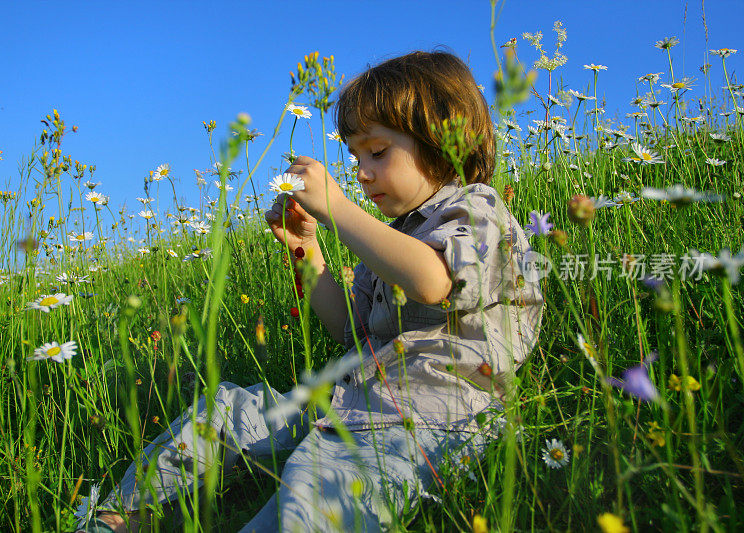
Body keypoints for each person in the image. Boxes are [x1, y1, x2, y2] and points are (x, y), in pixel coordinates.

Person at [79, 50, 543, 532]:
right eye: (356, 156)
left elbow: (433, 282)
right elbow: (348, 325)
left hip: (431, 415)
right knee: (227, 411)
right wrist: (306, 250)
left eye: (378, 152)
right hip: (352, 397)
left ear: (443, 138)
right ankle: (118, 517)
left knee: (314, 490)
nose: (362, 172)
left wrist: (337, 208)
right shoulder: (395, 235)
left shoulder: (476, 208)